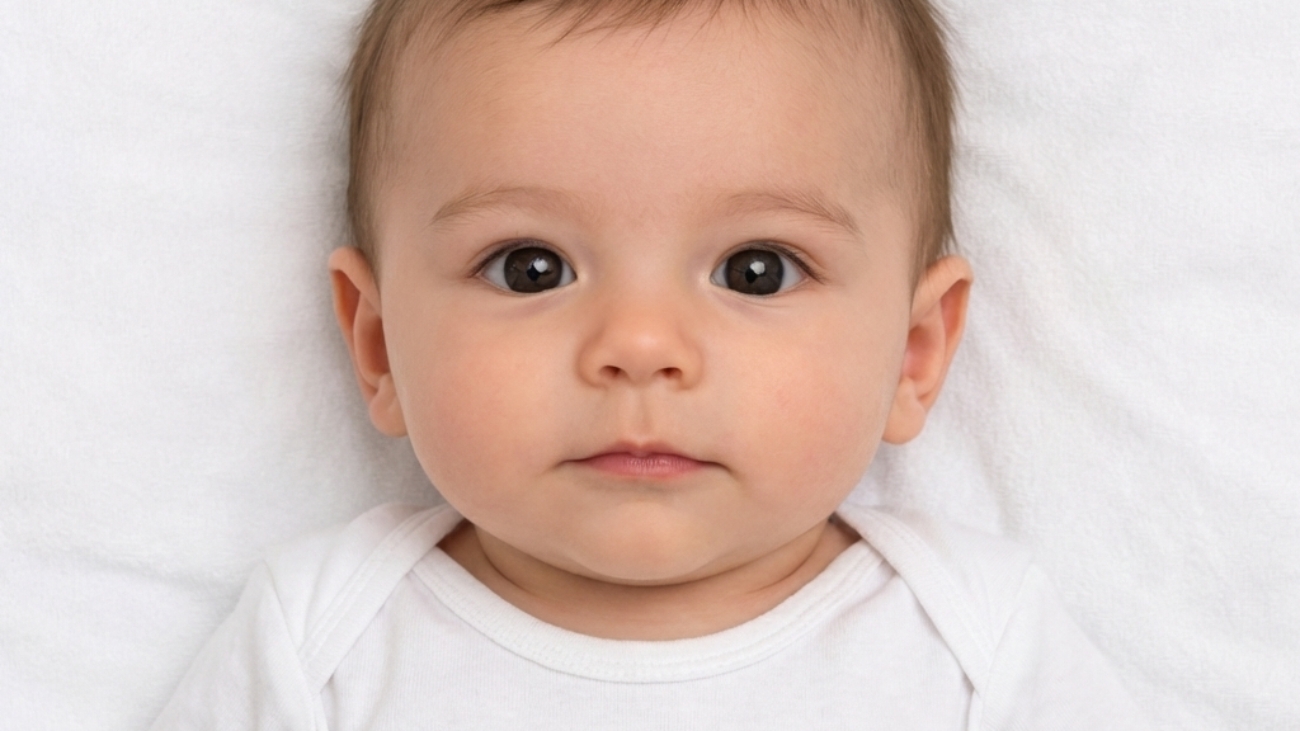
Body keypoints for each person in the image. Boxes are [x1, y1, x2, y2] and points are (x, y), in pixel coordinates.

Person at [153, 0, 1148, 727]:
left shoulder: (976, 646)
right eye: (529, 267)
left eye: (756, 270)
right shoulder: (321, 643)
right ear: (377, 344)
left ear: (914, 352)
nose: (638, 346)